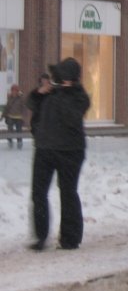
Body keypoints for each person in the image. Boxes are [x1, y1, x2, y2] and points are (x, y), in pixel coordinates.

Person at [28, 58, 90, 251]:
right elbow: (31, 103)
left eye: (62, 77)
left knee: (68, 192)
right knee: (38, 193)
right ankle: (41, 236)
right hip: (45, 148)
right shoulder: (50, 93)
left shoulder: (79, 96)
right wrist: (39, 92)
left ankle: (70, 238)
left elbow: (71, 117)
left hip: (70, 150)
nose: (58, 80)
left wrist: (65, 91)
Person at [3, 83, 27, 148]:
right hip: (10, 116)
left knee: (19, 130)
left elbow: (24, 107)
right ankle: (10, 141)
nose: (14, 92)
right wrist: (3, 116)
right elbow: (7, 107)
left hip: (19, 117)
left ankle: (19, 142)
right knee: (10, 130)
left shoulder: (21, 98)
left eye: (15, 90)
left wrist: (24, 116)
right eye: (12, 90)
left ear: (17, 91)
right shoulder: (10, 98)